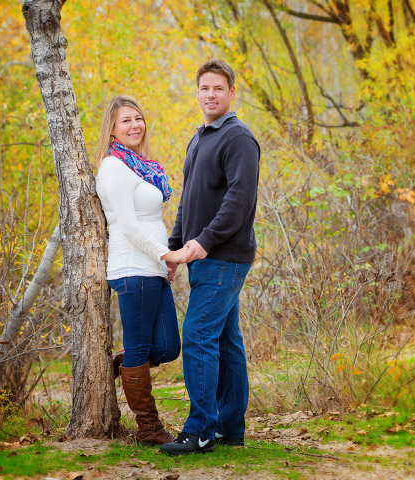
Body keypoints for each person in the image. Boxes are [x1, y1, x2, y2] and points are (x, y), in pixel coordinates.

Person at [160, 60, 260, 455]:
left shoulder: (239, 138)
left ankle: (200, 429)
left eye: (219, 88)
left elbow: (239, 201)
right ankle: (230, 427)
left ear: (232, 92)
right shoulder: (200, 137)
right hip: (203, 255)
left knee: (198, 335)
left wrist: (203, 242)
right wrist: (176, 245)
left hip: (224, 256)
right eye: (205, 88)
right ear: (197, 92)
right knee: (224, 339)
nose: (211, 95)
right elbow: (189, 198)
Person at [94, 95, 186, 445]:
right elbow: (130, 225)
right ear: (113, 129)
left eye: (138, 118)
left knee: (166, 348)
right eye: (126, 121)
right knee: (143, 347)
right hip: (132, 267)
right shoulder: (113, 167)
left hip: (153, 269)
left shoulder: (138, 165)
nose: (135, 125)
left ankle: (124, 362)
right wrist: (167, 254)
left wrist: (163, 261)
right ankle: (149, 429)